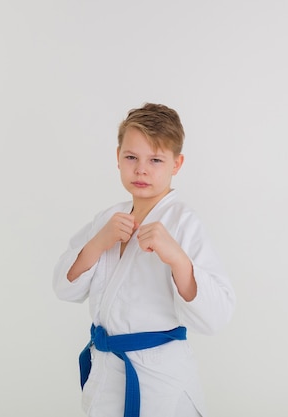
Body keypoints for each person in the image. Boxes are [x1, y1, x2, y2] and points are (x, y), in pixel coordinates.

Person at [53, 103, 235, 417]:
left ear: (176, 164)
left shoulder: (183, 222)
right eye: (132, 157)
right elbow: (64, 287)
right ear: (118, 157)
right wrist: (99, 243)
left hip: (160, 381)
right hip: (107, 373)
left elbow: (216, 316)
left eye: (155, 160)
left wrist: (177, 258)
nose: (141, 170)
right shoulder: (108, 219)